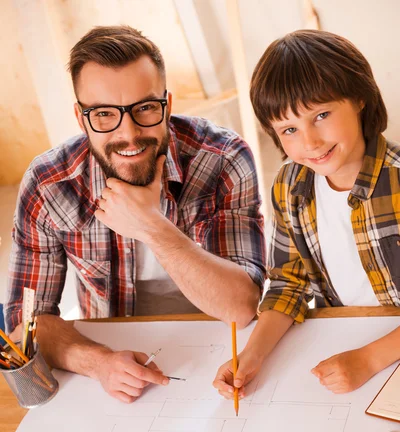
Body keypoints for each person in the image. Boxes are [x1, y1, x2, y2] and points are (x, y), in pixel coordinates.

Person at [5, 25, 266, 403]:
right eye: (105, 114)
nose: (129, 133)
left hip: (221, 353)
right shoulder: (49, 184)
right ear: (81, 119)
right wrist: (98, 363)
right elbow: (26, 325)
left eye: (144, 108)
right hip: (114, 352)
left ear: (167, 105)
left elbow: (240, 309)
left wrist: (152, 227)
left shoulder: (224, 158)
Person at [214, 29, 400, 399]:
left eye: (322, 115)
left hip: (377, 355)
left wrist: (368, 360)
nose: (310, 143)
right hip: (348, 345)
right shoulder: (290, 185)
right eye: (289, 129)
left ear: (360, 98)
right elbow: (288, 284)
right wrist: (252, 354)